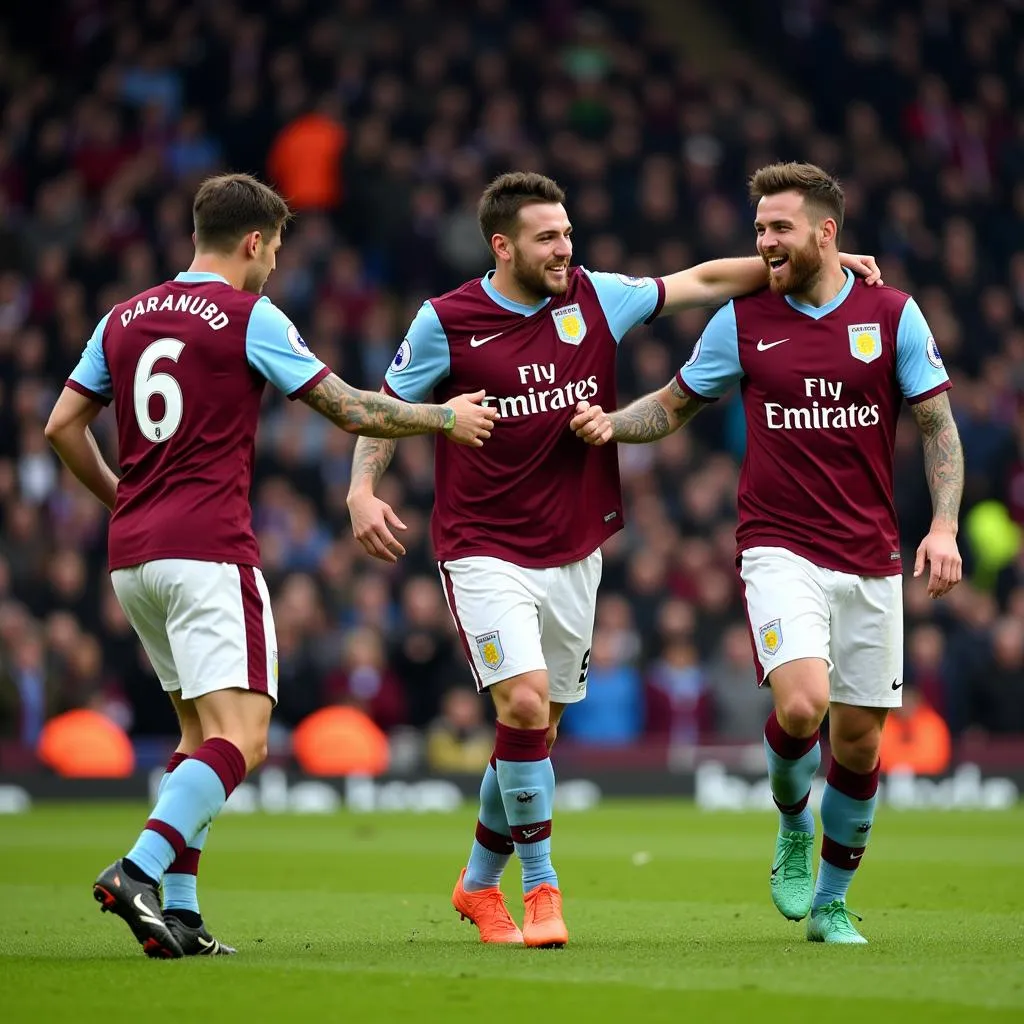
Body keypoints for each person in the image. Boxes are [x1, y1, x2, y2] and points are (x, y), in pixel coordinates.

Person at [346, 170, 880, 948]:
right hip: (481, 545)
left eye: (567, 233)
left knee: (536, 728)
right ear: (503, 246)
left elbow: (699, 280)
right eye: (547, 238)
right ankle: (542, 891)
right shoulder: (446, 321)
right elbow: (386, 406)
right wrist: (363, 489)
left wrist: (823, 262)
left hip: (573, 548)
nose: (566, 248)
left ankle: (475, 884)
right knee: (524, 705)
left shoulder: (598, 295)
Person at [44, 172, 496, 959]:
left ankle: (178, 915)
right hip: (209, 549)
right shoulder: (248, 315)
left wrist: (122, 497)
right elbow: (350, 407)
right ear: (254, 241)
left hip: (134, 557)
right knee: (246, 740)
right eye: (276, 248)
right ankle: (139, 869)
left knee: (197, 736)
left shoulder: (122, 317)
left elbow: (60, 426)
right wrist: (441, 416)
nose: (276, 265)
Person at [570, 162, 964, 944]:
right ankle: (792, 820)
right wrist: (616, 423)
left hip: (870, 554)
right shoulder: (744, 320)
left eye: (779, 228)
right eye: (758, 230)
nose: (765, 242)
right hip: (778, 547)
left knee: (858, 740)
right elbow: (678, 404)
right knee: (801, 705)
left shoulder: (893, 315)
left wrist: (945, 525)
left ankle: (831, 902)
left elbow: (938, 427)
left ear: (827, 232)